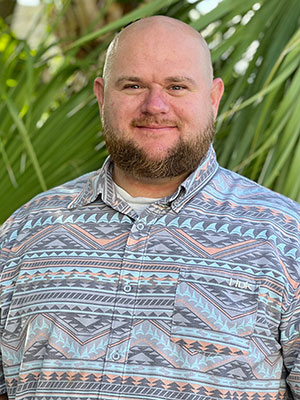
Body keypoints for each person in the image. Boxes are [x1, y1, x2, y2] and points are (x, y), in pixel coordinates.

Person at [0, 15, 300, 400]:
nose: (154, 105)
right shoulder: (24, 232)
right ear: (102, 95)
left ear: (213, 98)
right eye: (133, 85)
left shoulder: (286, 237)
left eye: (177, 86)